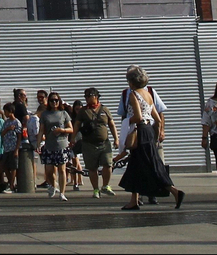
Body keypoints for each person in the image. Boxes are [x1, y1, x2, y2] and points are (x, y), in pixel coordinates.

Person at [118, 66, 183, 211]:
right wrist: (157, 133)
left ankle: (175, 191)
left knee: (151, 165)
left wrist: (126, 122)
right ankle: (134, 200)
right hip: (148, 131)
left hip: (139, 131)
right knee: (136, 165)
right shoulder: (148, 94)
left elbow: (138, 117)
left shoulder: (133, 95)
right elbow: (157, 118)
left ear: (131, 81)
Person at [73, 87, 118, 198]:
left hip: (104, 143)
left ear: (96, 96)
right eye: (86, 96)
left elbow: (112, 124)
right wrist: (73, 139)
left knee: (108, 164)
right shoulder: (83, 111)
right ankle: (96, 189)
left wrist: (116, 139)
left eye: (89, 96)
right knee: (92, 168)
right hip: (89, 144)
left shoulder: (104, 109)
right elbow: (77, 125)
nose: (87, 98)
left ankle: (105, 186)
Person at [37, 91, 74, 201]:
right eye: (52, 100)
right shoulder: (45, 114)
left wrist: (61, 130)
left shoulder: (63, 114)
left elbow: (71, 129)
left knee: (62, 170)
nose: (54, 102)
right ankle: (53, 185)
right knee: (49, 171)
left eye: (56, 100)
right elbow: (41, 131)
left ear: (59, 101)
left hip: (61, 145)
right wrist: (38, 144)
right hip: (49, 145)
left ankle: (62, 193)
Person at [0, 103, 23, 194]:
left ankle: (12, 185)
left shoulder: (17, 122)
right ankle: (10, 182)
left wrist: (17, 149)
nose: (5, 113)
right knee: (5, 166)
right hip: (6, 147)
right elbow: (2, 133)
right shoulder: (6, 122)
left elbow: (19, 136)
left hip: (13, 147)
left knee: (13, 167)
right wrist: (8, 129)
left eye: (6, 111)